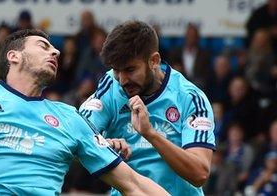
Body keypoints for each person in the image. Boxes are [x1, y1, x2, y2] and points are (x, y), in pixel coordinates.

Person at [0, 29, 168, 195]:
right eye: (44, 46)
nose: (56, 52)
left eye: (54, 48)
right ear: (14, 56)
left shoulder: (69, 117)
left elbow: (133, 183)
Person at [78, 20, 215, 195]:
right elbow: (77, 132)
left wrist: (150, 133)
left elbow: (200, 172)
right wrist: (103, 143)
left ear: (154, 61)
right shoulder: (111, 86)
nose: (122, 80)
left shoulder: (189, 98)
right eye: (116, 71)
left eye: (130, 70)